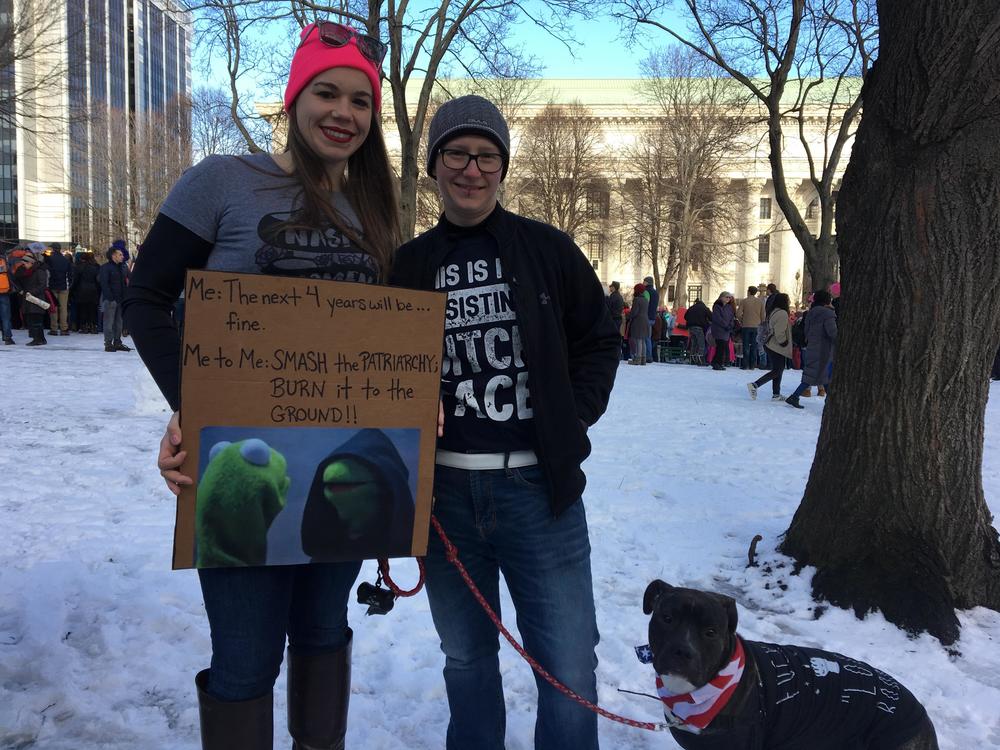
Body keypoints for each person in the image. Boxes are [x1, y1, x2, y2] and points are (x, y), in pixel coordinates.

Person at [122, 20, 399, 749]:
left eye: (360, 102)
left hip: (344, 472)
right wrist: (192, 404)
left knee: (321, 633)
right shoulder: (222, 180)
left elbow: (385, 344)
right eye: (326, 93)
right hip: (239, 469)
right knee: (245, 660)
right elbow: (144, 297)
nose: (344, 113)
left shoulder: (374, 213)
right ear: (293, 99)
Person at [390, 93, 619, 750]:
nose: (471, 168)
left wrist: (570, 421)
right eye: (457, 153)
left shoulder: (547, 250)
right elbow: (376, 367)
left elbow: (599, 339)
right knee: (466, 659)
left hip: (537, 495)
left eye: (486, 155)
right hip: (446, 501)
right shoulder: (409, 266)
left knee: (570, 666)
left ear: (503, 166)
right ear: (435, 164)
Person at [786, 289, 838, 409]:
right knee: (823, 374)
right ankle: (830, 403)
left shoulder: (811, 313)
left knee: (816, 374)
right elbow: (832, 332)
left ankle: (795, 396)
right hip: (824, 349)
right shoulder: (828, 314)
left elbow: (806, 330)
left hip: (812, 346)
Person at [747, 293, 792, 401]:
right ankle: (755, 385)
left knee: (778, 369)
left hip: (771, 344)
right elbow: (779, 331)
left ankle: (776, 394)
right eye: (788, 299)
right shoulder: (782, 313)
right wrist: (783, 342)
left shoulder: (774, 311)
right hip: (776, 346)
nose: (789, 301)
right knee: (777, 370)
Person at [98, 246, 131, 352]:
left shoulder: (123, 267)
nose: (122, 256)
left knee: (119, 323)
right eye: (120, 254)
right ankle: (108, 343)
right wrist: (110, 298)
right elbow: (104, 283)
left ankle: (117, 342)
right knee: (109, 322)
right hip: (110, 300)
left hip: (121, 299)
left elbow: (128, 280)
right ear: (113, 256)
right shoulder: (106, 267)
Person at [45, 242, 73, 335]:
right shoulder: (66, 260)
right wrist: (69, 284)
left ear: (53, 249)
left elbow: (47, 272)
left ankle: (54, 328)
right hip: (64, 286)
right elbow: (70, 274)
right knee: (63, 308)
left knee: (53, 308)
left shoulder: (49, 259)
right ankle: (64, 328)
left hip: (53, 286)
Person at [71, 251, 100, 333]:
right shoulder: (94, 268)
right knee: (92, 309)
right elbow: (97, 281)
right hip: (93, 290)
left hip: (81, 290)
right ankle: (93, 326)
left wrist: (72, 290)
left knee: (83, 309)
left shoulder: (78, 268)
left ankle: (84, 326)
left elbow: (75, 281)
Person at [738, 286, 764, 370]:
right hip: (757, 326)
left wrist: (742, 320)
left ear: (748, 292)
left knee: (746, 345)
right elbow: (763, 315)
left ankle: (745, 364)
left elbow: (738, 314)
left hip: (746, 325)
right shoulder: (760, 302)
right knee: (754, 346)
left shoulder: (744, 301)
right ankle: (752, 364)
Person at [710, 291, 735, 370]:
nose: (728, 299)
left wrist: (731, 325)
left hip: (726, 331)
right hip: (719, 329)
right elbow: (717, 318)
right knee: (721, 347)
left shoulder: (729, 307)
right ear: (722, 297)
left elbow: (732, 317)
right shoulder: (717, 306)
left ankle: (716, 362)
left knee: (724, 347)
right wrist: (725, 325)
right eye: (726, 297)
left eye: (729, 297)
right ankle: (717, 363)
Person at [628, 282, 650, 365]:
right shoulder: (645, 300)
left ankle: (637, 359)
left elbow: (634, 312)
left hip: (638, 321)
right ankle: (643, 359)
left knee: (638, 340)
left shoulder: (637, 300)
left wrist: (628, 316)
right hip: (645, 320)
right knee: (643, 340)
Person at [685, 297, 710, 365]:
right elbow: (711, 317)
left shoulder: (691, 308)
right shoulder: (704, 308)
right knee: (701, 344)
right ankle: (700, 359)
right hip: (699, 327)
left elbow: (685, 317)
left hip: (691, 328)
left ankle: (692, 359)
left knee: (694, 344)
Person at [0, 248, 14, 344]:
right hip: (4, 290)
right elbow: (9, 273)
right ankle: (7, 337)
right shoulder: (3, 260)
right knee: (5, 316)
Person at [644, 276, 658, 363]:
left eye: (644, 281)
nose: (643, 283)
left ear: (647, 282)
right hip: (653, 317)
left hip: (646, 316)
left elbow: (645, 304)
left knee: (645, 338)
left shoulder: (646, 292)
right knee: (648, 337)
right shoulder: (655, 292)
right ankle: (649, 355)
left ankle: (648, 356)